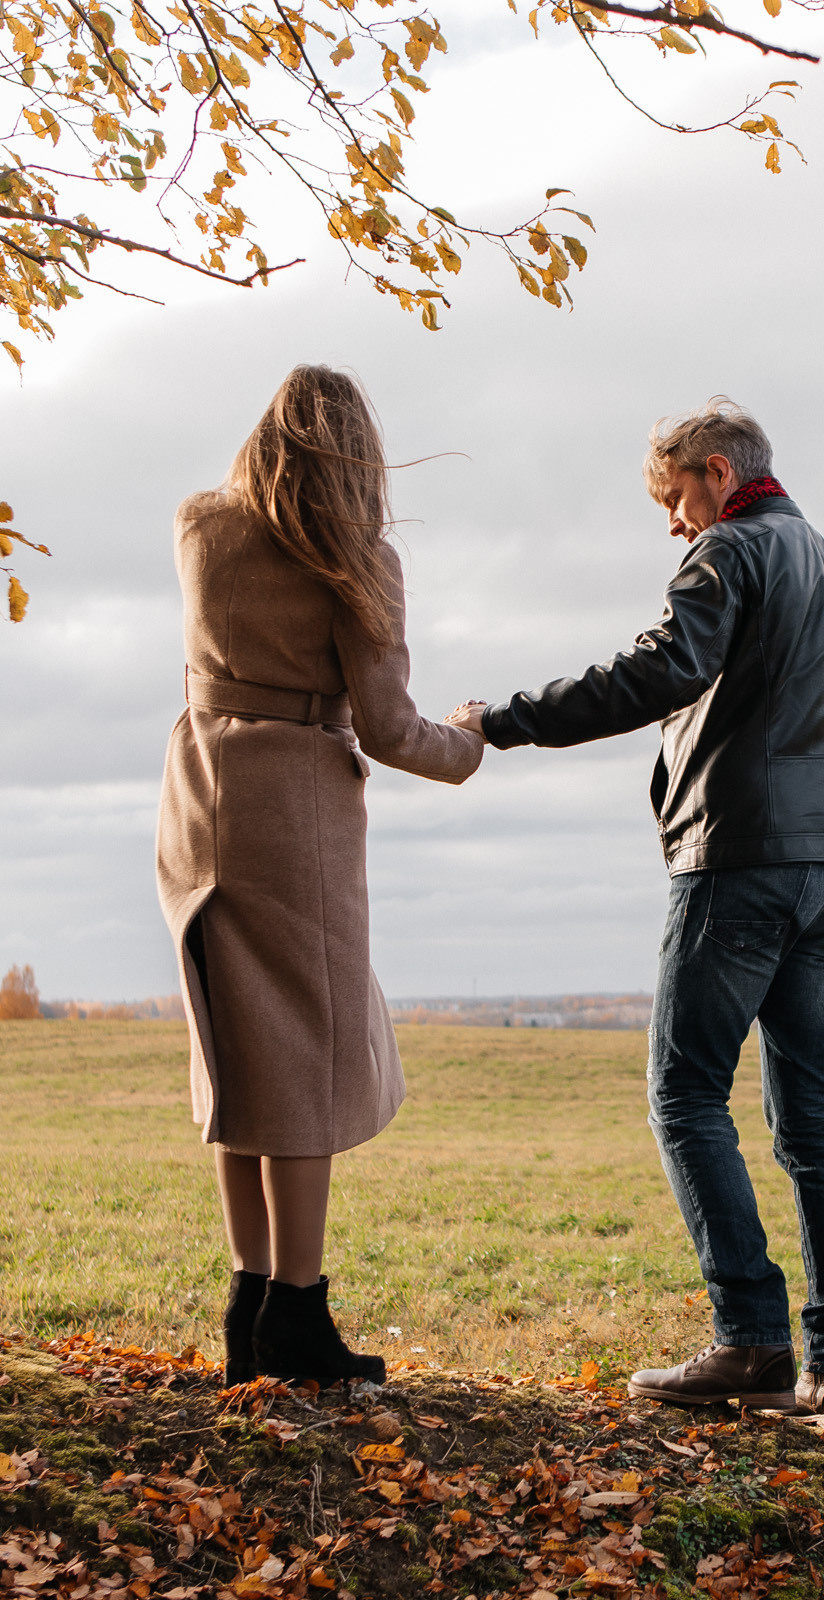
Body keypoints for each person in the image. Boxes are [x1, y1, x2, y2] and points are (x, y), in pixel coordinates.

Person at [448, 397, 824, 1433]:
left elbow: (661, 668)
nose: (671, 522)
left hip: (741, 860)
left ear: (714, 472)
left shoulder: (728, 557)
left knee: (683, 1093)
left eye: (672, 499)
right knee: (816, 1122)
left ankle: (750, 1339)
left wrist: (506, 722)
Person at [157, 365, 484, 1389]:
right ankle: (296, 1314)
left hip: (199, 796)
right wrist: (468, 743)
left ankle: (249, 1302)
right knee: (303, 1058)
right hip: (293, 810)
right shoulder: (351, 559)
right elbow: (389, 727)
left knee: (236, 1054)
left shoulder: (199, 530)